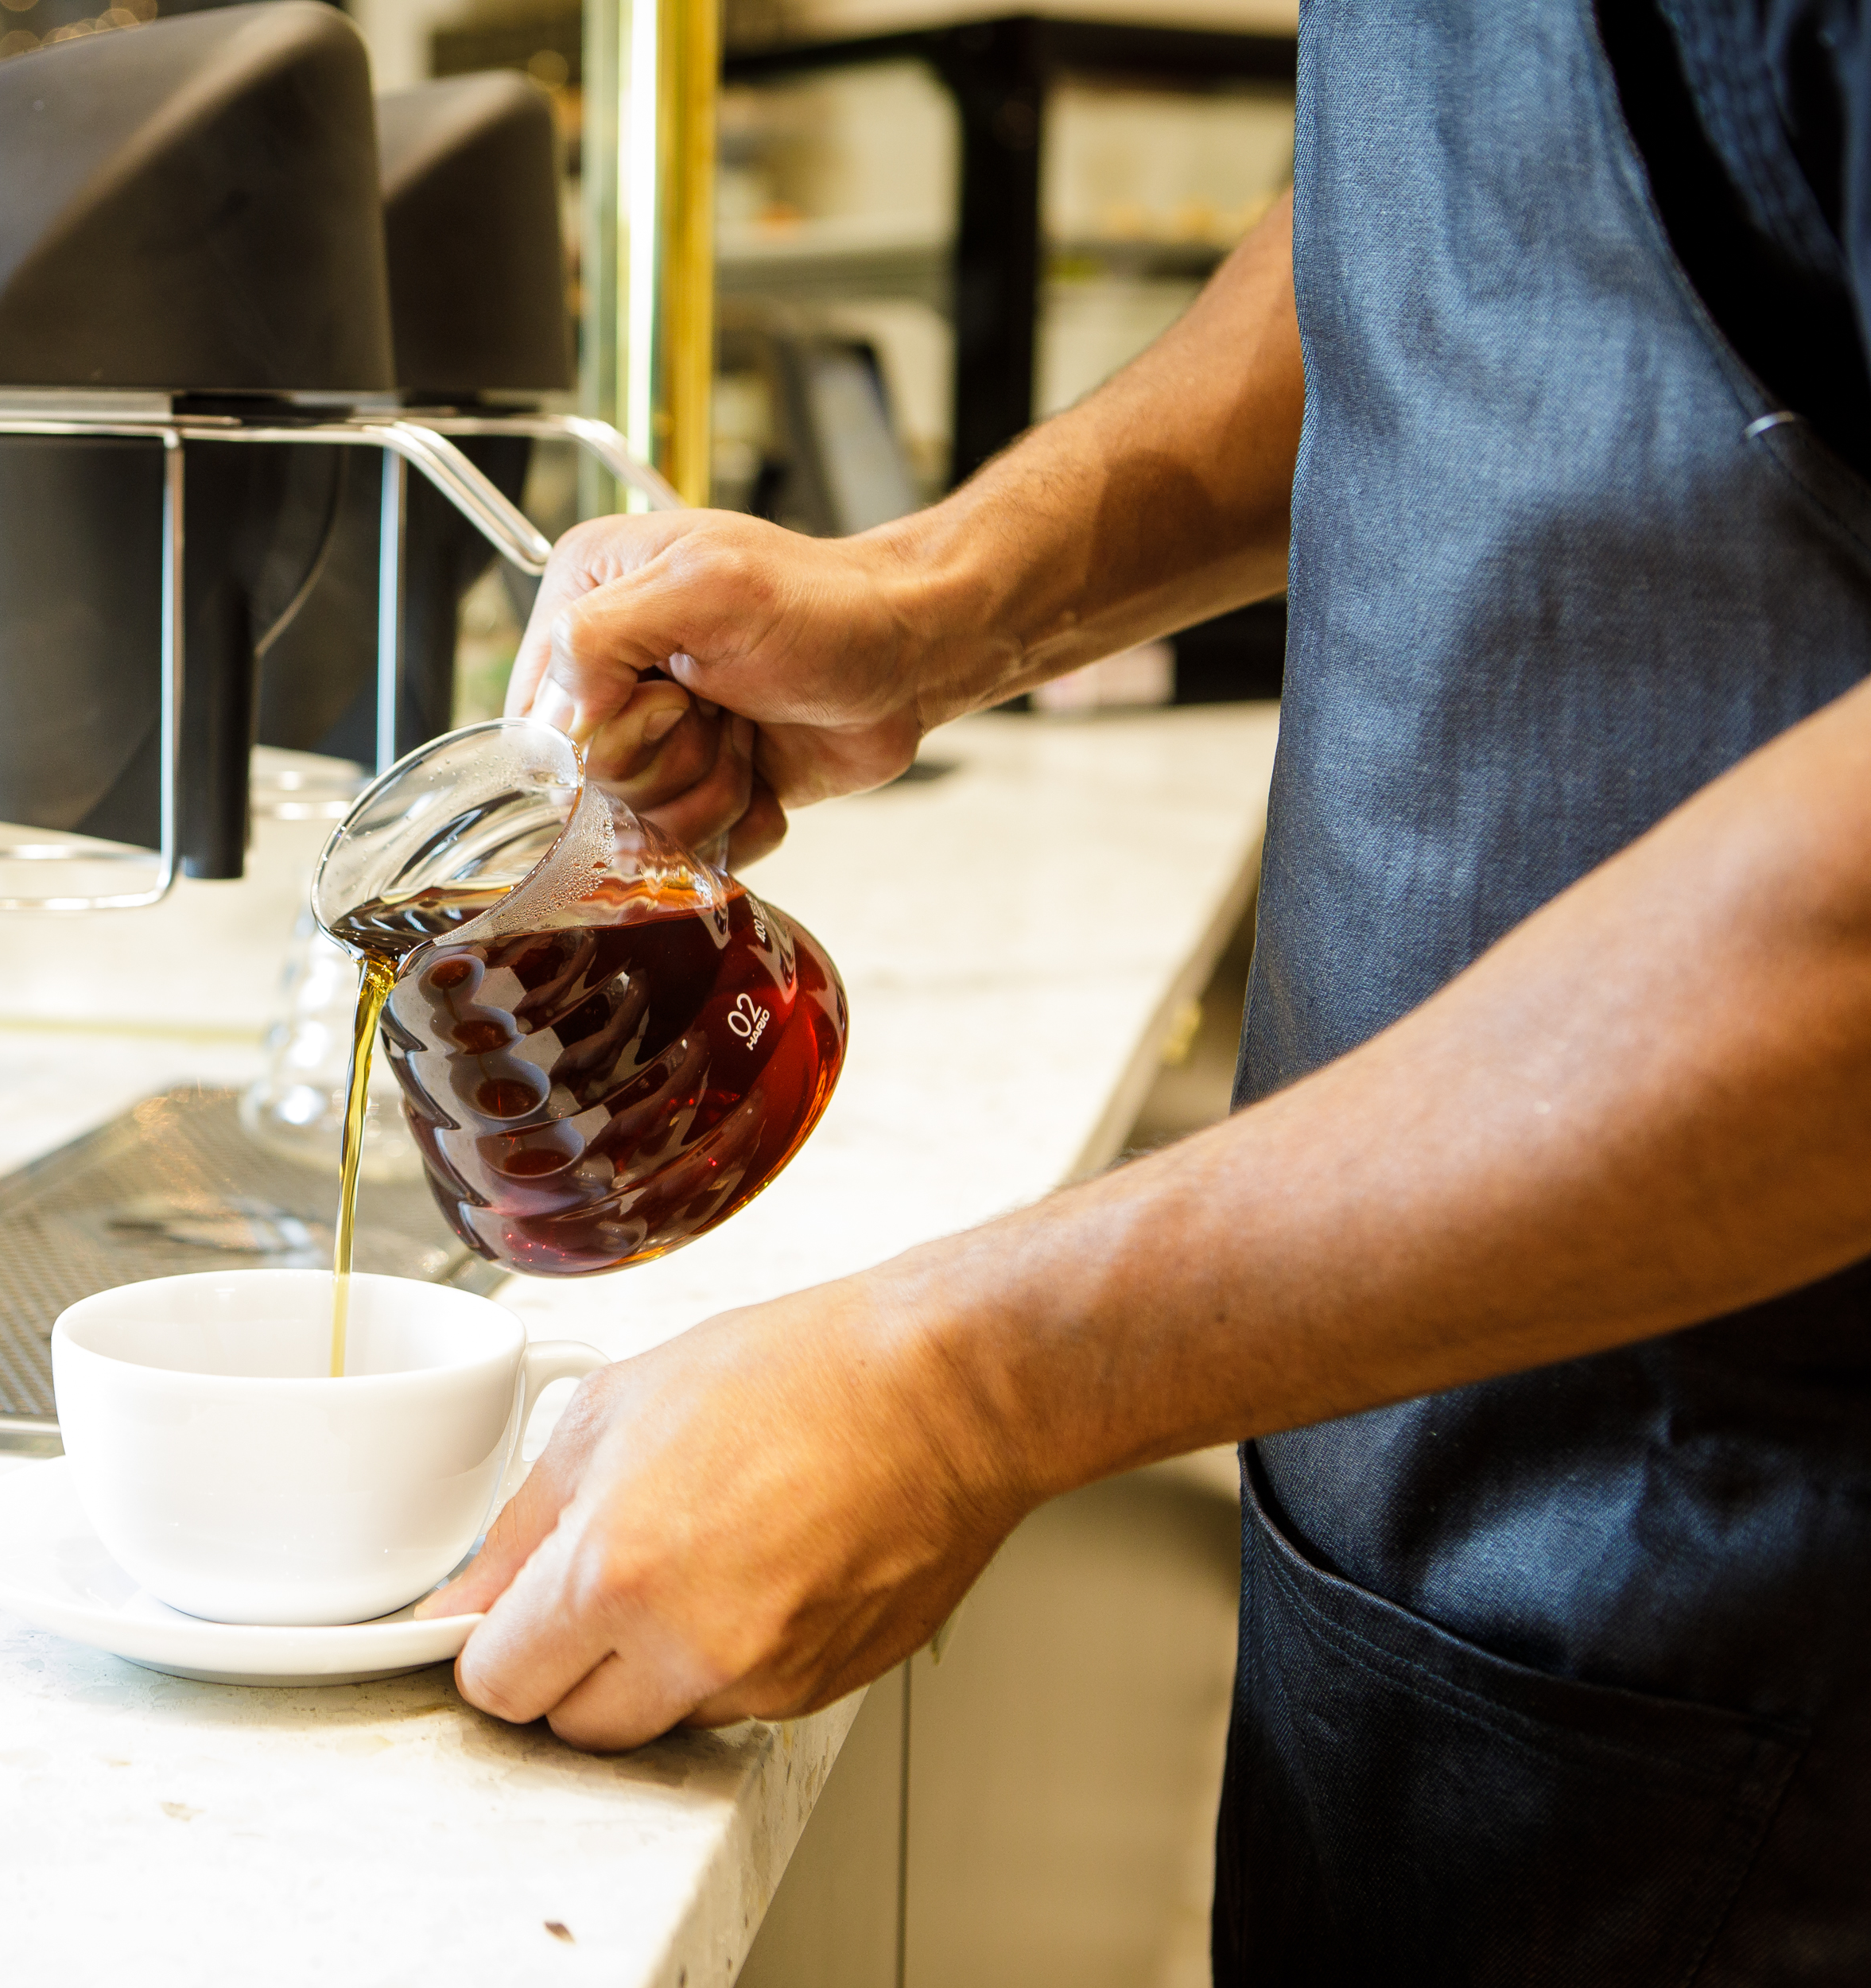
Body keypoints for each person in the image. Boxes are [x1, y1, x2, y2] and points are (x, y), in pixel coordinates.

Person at [414, 1, 1871, 1976]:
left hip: (1775, 1640)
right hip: (1430, 1562)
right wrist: (940, 602)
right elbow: (1464, 210)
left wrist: (977, 1380)